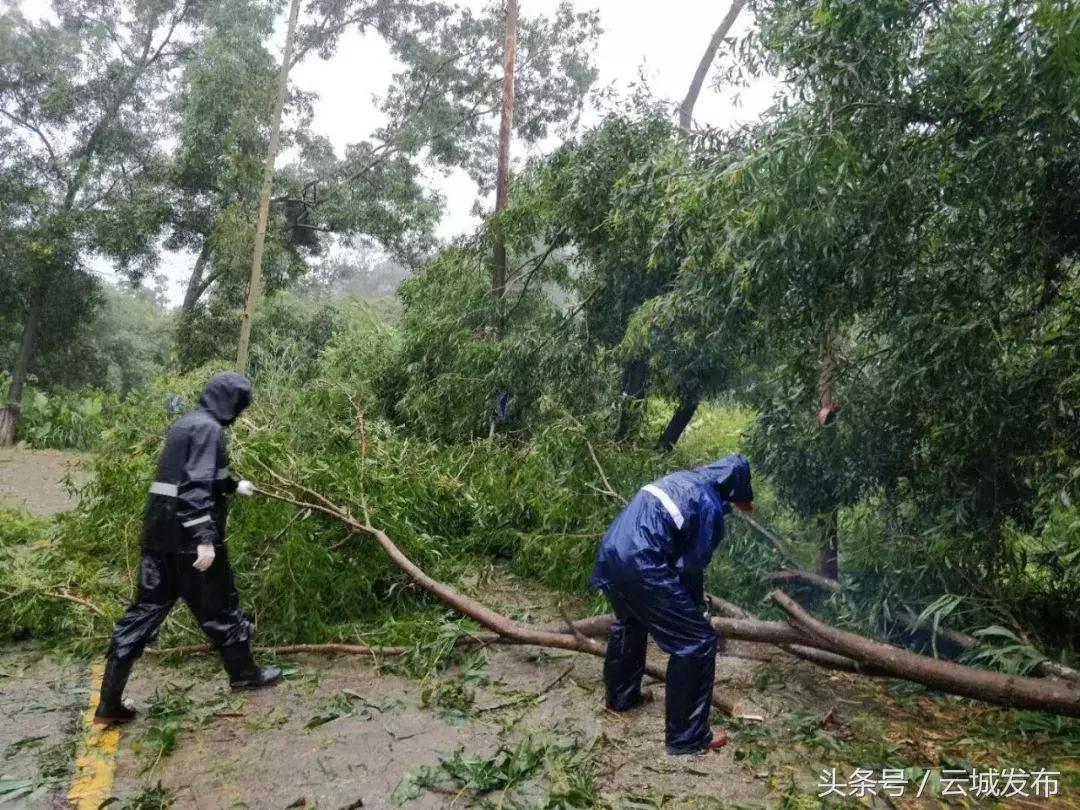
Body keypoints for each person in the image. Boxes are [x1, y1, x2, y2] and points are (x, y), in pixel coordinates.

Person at [93, 372, 281, 725]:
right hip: (188, 542)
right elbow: (195, 488)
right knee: (221, 606)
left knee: (144, 611)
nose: (238, 414)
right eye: (239, 406)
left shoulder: (186, 424)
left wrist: (233, 484)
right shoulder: (210, 429)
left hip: (157, 537)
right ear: (230, 402)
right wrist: (205, 539)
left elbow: (193, 475)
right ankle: (244, 674)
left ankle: (108, 703)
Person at [590, 453, 753, 755]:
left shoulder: (680, 481)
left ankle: (621, 698)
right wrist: (693, 615)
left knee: (631, 623)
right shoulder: (708, 502)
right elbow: (690, 566)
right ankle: (687, 738)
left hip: (612, 554)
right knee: (697, 643)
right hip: (643, 563)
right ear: (731, 490)